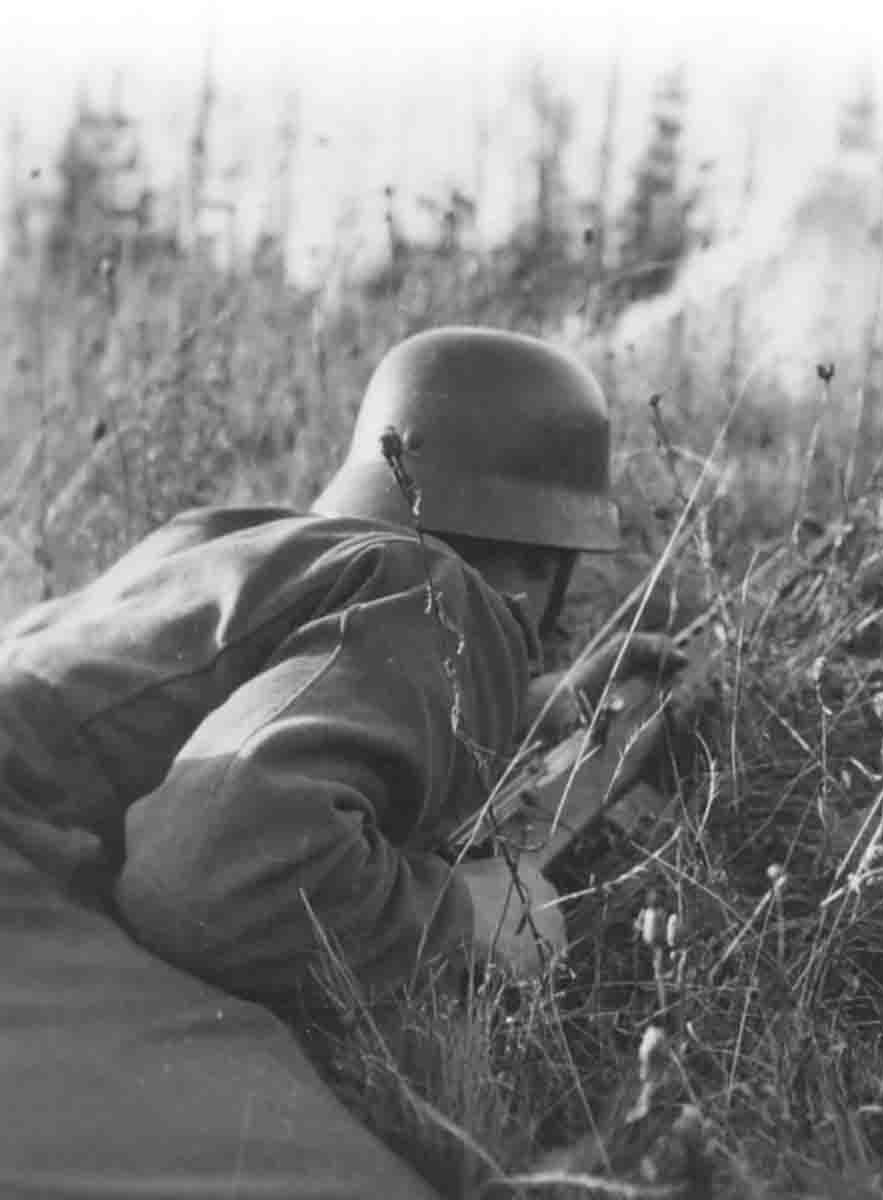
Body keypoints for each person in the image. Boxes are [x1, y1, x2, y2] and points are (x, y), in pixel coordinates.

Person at [0, 326, 671, 1199]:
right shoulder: (442, 592)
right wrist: (465, 917)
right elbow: (208, 880)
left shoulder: (219, 546)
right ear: (550, 561)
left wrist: (507, 712)